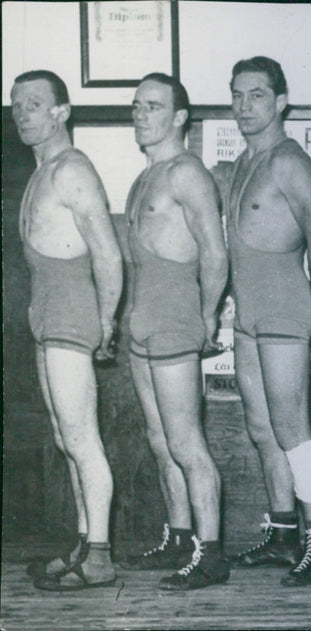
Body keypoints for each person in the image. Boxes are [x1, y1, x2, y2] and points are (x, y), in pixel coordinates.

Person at [224, 56, 311, 587]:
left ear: (280, 102)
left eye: (257, 96)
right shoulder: (245, 161)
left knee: (293, 429)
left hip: (284, 308)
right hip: (249, 315)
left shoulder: (288, 161)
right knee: (261, 429)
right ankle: (283, 532)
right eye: (238, 95)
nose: (245, 106)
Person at [12, 70, 122, 592]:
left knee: (82, 437)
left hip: (73, 311)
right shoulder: (41, 171)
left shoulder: (72, 169)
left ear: (62, 112)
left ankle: (100, 557)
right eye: (17, 105)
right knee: (65, 436)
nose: (22, 114)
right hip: (47, 311)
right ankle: (84, 543)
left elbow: (107, 250)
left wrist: (106, 321)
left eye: (35, 104)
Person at [120, 73, 230, 590]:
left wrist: (207, 316)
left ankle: (210, 555)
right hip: (140, 319)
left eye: (153, 106)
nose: (141, 115)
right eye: (137, 106)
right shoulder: (145, 176)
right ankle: (180, 537)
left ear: (180, 116)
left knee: (187, 443)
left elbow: (214, 251)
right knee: (160, 440)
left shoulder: (187, 173)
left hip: (174, 317)